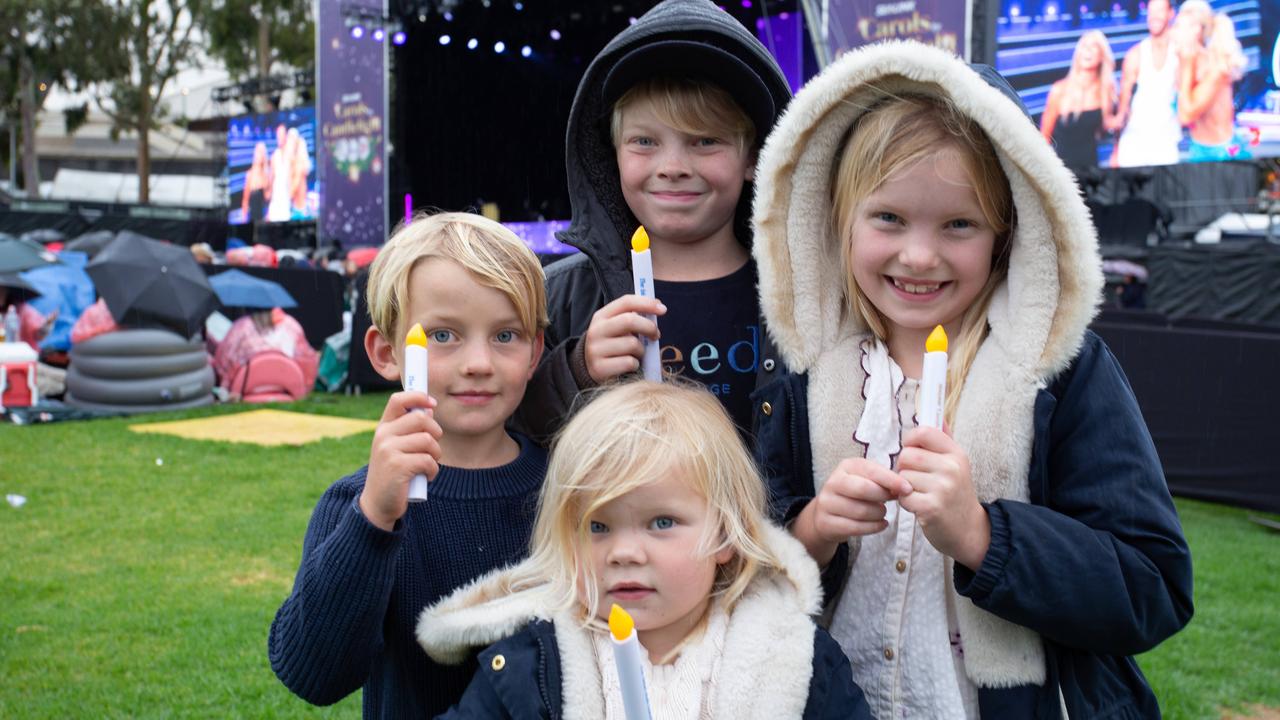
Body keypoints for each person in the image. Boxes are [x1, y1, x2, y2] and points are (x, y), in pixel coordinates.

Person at [749, 41, 1193, 717]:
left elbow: (1153, 588)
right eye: (889, 218)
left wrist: (983, 538)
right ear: (837, 221)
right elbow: (740, 584)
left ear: (1007, 236)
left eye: (959, 224)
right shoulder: (801, 381)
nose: (919, 254)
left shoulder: (1062, 376)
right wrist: (812, 531)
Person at [417, 380, 871, 719]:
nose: (624, 553)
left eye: (661, 523)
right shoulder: (532, 663)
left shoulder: (792, 657)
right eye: (598, 526)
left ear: (725, 537)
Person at [268, 212, 550, 718]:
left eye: (506, 336)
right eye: (443, 336)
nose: (479, 363)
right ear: (385, 352)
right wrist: (373, 518)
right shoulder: (358, 504)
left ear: (535, 353)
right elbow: (314, 673)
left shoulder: (570, 488)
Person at [513, 0, 793, 442]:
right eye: (645, 141)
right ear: (613, 155)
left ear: (755, 158)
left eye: (705, 141)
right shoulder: (559, 299)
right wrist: (577, 371)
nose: (673, 166)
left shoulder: (800, 293)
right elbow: (510, 439)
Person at [1114, 0, 1182, 167]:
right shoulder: (1135, 55)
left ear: (1170, 13)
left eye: (1159, 10)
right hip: (1134, 142)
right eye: (1151, 11)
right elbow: (1123, 110)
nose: (1154, 16)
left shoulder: (1181, 52)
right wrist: (1116, 150)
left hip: (1167, 142)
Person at [1177, 6, 1250, 161]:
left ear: (1196, 30)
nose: (1174, 32)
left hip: (1223, 153)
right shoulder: (1185, 64)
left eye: (1179, 27)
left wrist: (1187, 63)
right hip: (1197, 150)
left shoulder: (1216, 68)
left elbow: (1185, 115)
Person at [1039, 30, 1118, 171]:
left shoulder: (1106, 91)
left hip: (1091, 170)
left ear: (1101, 55)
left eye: (1094, 46)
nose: (1088, 51)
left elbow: (1108, 126)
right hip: (1061, 172)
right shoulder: (1060, 90)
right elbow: (1044, 136)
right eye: (1084, 46)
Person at [210, 307, 319, 391]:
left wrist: (227, 384)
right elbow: (307, 359)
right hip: (287, 385)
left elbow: (224, 359)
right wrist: (304, 385)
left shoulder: (241, 326)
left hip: (246, 386)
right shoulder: (291, 324)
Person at [267, 124, 294, 222]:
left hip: (287, 198)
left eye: (281, 134)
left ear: (285, 135)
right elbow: (271, 177)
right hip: (276, 198)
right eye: (278, 134)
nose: (279, 137)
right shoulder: (275, 155)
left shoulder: (291, 153)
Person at [240, 141, 270, 222]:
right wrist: (244, 218)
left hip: (263, 216)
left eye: (262, 152)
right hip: (252, 217)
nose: (260, 155)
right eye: (258, 152)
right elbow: (245, 199)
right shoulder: (250, 174)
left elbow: (268, 197)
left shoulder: (266, 174)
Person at [287, 128, 312, 218]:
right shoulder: (292, 164)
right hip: (295, 208)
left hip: (300, 210)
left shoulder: (299, 163)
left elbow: (293, 189)